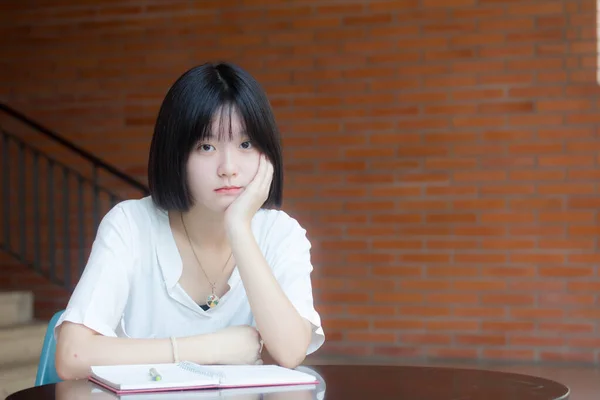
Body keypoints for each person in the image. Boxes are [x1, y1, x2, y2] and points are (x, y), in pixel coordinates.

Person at [54, 62, 325, 380]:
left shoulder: (281, 234)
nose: (228, 167)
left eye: (245, 144)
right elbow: (72, 356)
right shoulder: (130, 225)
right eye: (206, 146)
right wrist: (212, 348)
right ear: (176, 155)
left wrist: (238, 227)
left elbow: (291, 351)